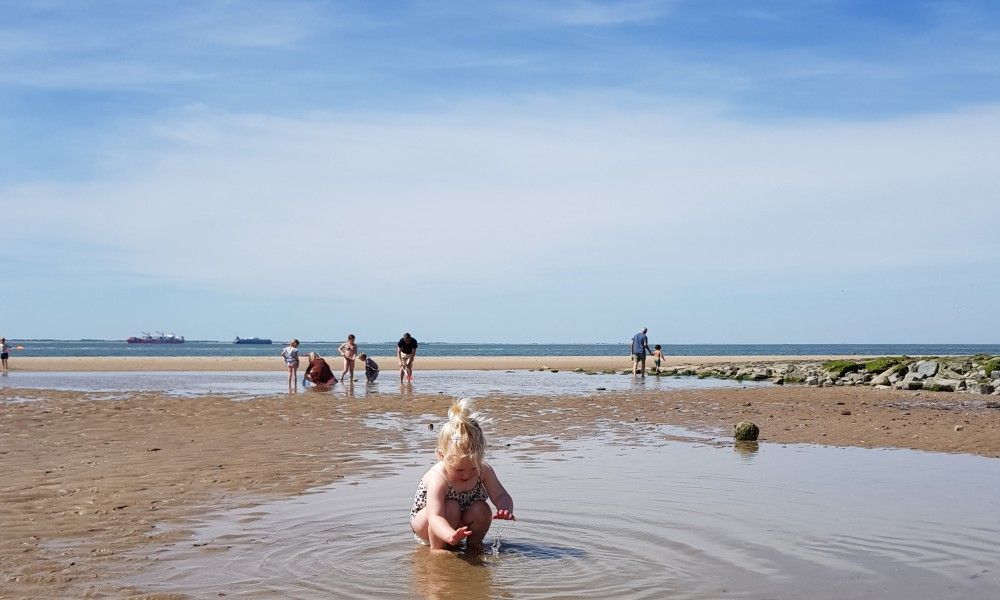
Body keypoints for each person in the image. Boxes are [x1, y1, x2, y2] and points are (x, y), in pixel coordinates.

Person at [409, 398, 515, 553]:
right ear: (441, 455)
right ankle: (438, 550)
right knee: (450, 505)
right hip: (429, 524)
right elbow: (435, 517)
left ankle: (474, 546)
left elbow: (500, 495)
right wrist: (450, 535)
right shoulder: (439, 477)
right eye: (458, 470)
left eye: (473, 468)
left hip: (459, 522)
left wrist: (505, 509)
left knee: (483, 509)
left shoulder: (483, 470)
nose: (466, 475)